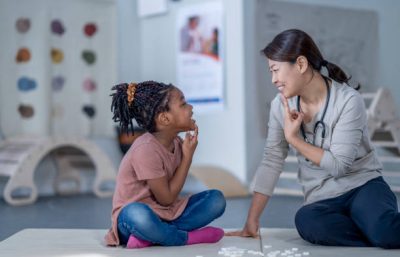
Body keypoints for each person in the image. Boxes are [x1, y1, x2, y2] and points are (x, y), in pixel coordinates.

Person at [226, 29, 400, 249]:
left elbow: (339, 166)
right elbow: (272, 160)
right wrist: (251, 220)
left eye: (276, 70)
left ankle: (379, 229)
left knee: (383, 231)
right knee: (308, 223)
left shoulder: (348, 100)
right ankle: (373, 231)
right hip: (322, 197)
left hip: (363, 185)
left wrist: (294, 138)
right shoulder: (280, 107)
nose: (273, 80)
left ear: (300, 64)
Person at [105, 81, 226, 248]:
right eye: (183, 104)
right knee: (138, 214)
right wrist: (187, 158)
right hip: (132, 219)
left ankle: (152, 236)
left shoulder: (177, 143)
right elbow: (166, 199)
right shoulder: (145, 149)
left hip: (166, 214)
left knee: (216, 200)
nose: (190, 107)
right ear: (164, 118)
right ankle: (186, 238)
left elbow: (169, 203)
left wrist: (185, 154)